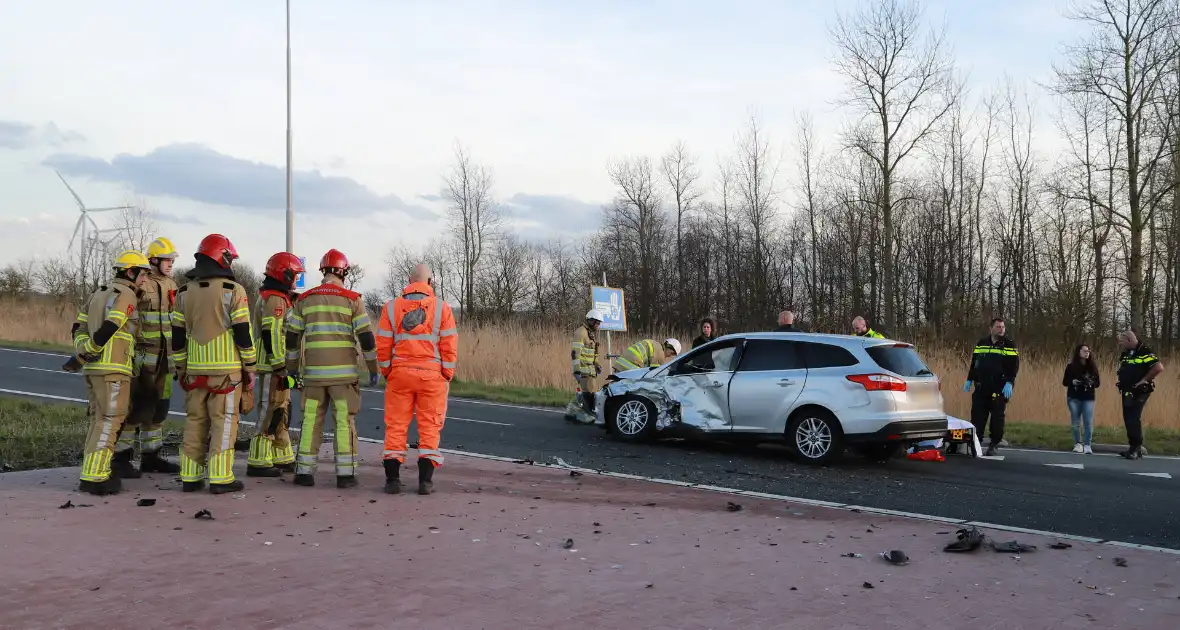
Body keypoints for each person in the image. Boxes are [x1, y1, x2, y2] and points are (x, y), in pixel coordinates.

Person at [170, 234, 258, 494]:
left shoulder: (183, 293)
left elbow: (177, 337)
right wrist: (250, 368)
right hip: (227, 375)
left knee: (195, 422)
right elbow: (243, 334)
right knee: (224, 423)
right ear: (224, 258)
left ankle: (190, 476)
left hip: (195, 372)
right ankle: (220, 478)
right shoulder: (233, 291)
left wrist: (181, 368)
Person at [285, 249, 378, 489]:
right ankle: (345, 476)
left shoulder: (304, 300)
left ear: (323, 271)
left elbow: (292, 338)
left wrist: (292, 370)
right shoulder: (352, 299)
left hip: (313, 376)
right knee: (344, 422)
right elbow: (366, 338)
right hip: (343, 377)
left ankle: (304, 473)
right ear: (343, 271)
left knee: (310, 421)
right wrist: (373, 368)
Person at [64, 250, 152, 495]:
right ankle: (96, 477)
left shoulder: (97, 293)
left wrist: (83, 350)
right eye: (143, 274)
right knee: (110, 420)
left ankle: (92, 470)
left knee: (98, 419)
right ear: (131, 272)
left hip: (94, 369)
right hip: (112, 368)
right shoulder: (125, 294)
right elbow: (112, 325)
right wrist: (88, 351)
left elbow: (78, 326)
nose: (145, 280)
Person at [376, 263, 458, 495]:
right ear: (430, 282)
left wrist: (387, 371)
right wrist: (446, 375)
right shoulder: (442, 309)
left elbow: (383, 344)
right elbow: (449, 346)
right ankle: (425, 482)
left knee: (396, 426)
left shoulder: (391, 308)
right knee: (430, 427)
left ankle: (392, 480)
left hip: (400, 374)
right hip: (432, 377)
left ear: (409, 281)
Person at [111, 237, 182, 478]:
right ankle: (121, 458)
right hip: (143, 358)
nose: (171, 263)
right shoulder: (141, 283)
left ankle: (152, 457)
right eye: (167, 260)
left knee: (159, 409)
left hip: (166, 360)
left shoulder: (173, 285)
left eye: (172, 260)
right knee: (137, 409)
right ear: (153, 260)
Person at [245, 252, 305, 477]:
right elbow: (272, 334)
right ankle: (258, 460)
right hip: (273, 367)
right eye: (295, 275)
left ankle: (282, 456)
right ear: (285, 273)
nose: (296, 280)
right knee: (270, 410)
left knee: (282, 409)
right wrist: (280, 367)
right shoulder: (275, 299)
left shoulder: (278, 297)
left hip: (279, 367)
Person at [959, 317, 1019, 457]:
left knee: (997, 419)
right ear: (991, 328)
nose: (1001, 329)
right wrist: (969, 379)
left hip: (999, 388)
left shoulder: (1009, 344)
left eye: (1003, 327)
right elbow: (975, 363)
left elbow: (1013, 366)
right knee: (977, 417)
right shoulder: (982, 343)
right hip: (981, 387)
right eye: (998, 327)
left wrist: (1010, 382)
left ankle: (994, 445)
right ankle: (976, 443)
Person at [1115, 330, 1164, 460]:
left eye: (1123, 341)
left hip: (1140, 390)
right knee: (1128, 417)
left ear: (1129, 340)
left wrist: (1144, 380)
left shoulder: (1144, 351)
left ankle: (1136, 449)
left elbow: (1158, 367)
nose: (1122, 344)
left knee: (1133, 417)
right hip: (1127, 389)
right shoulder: (1126, 352)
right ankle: (1133, 448)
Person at [568, 309, 604, 423]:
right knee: (588, 393)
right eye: (597, 323)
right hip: (584, 370)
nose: (598, 326)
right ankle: (586, 415)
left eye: (599, 323)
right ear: (591, 321)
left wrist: (597, 364)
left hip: (590, 369)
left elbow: (593, 353)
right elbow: (575, 353)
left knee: (589, 392)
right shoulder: (581, 333)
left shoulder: (591, 334)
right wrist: (576, 371)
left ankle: (571, 412)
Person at [1063, 344, 1100, 454]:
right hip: (1074, 397)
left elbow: (1098, 383)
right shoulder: (1071, 367)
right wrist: (1073, 382)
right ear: (1078, 352)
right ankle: (1078, 443)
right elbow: (1064, 382)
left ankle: (1087, 444)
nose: (1087, 352)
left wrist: (1090, 382)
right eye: (1084, 351)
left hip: (1088, 397)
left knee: (1088, 421)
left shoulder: (1092, 367)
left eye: (1088, 351)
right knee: (1075, 421)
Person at [613, 338, 681, 372]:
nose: (670, 356)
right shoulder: (660, 353)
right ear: (668, 346)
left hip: (620, 363)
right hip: (630, 367)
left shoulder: (654, 344)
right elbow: (655, 372)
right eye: (672, 353)